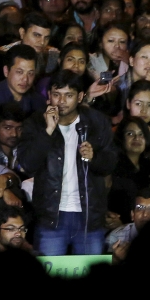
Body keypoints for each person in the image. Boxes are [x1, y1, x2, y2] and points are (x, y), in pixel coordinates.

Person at [17, 70, 116, 255]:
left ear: (80, 97)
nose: (61, 101)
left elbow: (110, 163)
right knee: (49, 273)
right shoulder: (36, 123)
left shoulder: (97, 122)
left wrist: (93, 158)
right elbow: (27, 165)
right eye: (56, 95)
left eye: (68, 95)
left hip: (89, 216)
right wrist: (48, 131)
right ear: (49, 96)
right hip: (51, 215)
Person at [0, 44, 46, 114]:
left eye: (30, 73)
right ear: (6, 71)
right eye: (19, 72)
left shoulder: (38, 101)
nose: (25, 79)